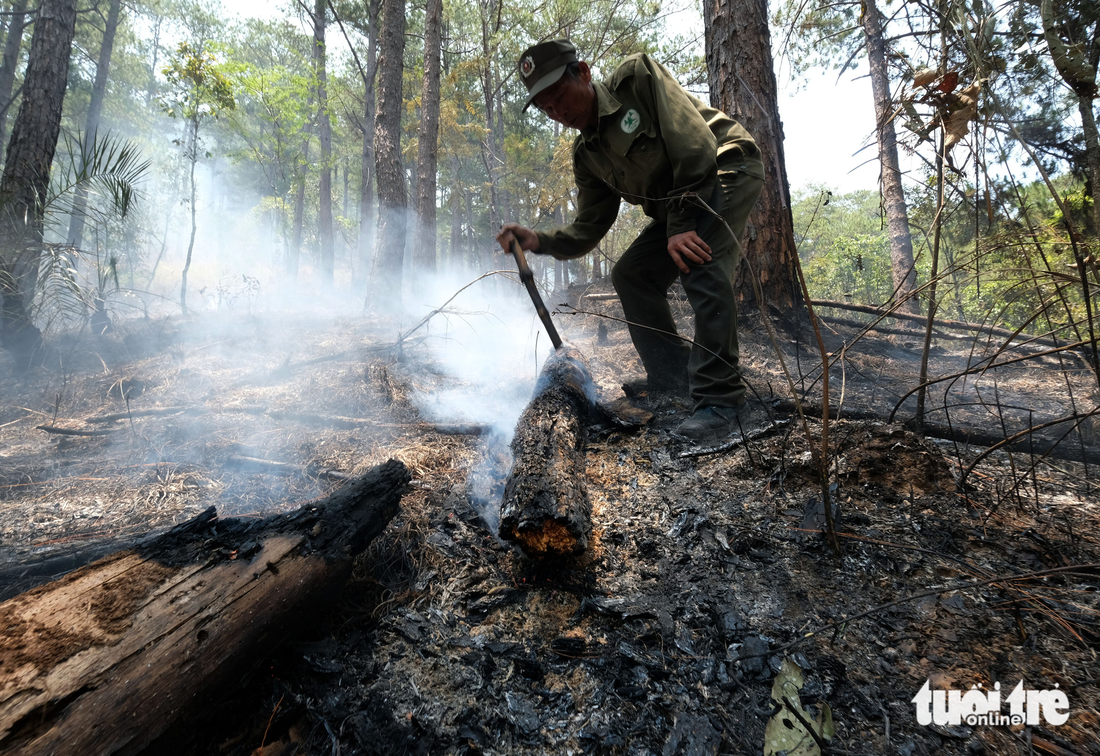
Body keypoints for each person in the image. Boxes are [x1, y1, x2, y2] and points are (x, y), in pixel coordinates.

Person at [496, 39, 766, 443]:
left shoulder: (636, 79)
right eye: (546, 109)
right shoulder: (587, 154)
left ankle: (722, 399)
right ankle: (674, 379)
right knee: (631, 274)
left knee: (698, 260)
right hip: (682, 206)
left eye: (559, 96)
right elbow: (589, 227)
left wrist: (679, 225)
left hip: (725, 167)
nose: (558, 112)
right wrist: (540, 239)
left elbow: (696, 150)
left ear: (583, 73)